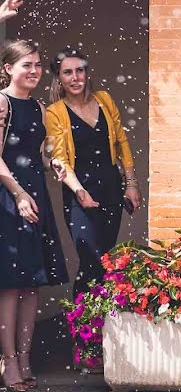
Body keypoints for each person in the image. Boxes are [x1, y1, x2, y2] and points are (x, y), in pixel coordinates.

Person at [0, 40, 68, 392]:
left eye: (38, 64)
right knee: (10, 285)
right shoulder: (2, 102)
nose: (35, 70)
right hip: (9, 197)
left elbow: (38, 152)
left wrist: (52, 162)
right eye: (27, 64)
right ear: (8, 68)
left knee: (30, 284)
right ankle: (8, 362)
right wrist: (19, 194)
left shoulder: (39, 107)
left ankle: (25, 358)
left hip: (35, 195)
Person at [45, 47, 140, 297]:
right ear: (58, 78)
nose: (75, 77)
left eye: (80, 70)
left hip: (110, 187)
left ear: (87, 73)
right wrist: (79, 191)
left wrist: (131, 183)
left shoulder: (104, 100)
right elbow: (60, 159)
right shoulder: (55, 112)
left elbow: (122, 142)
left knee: (105, 259)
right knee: (89, 255)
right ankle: (83, 328)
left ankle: (99, 326)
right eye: (68, 72)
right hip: (79, 192)